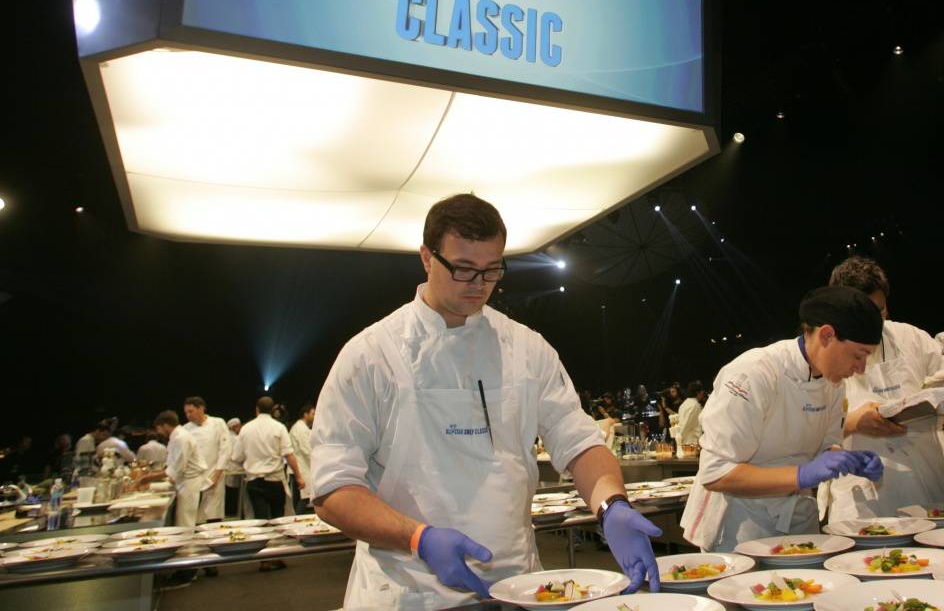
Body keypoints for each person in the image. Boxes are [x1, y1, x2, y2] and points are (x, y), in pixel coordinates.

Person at [311, 193, 662, 609]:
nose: (479, 284)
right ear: (427, 257)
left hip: (515, 583)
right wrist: (417, 537)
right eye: (462, 269)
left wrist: (610, 505)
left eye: (492, 270)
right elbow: (333, 489)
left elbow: (579, 441)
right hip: (408, 589)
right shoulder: (370, 355)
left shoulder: (526, 349)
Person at [680, 286, 884, 551]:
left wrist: (844, 459)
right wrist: (803, 474)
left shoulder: (834, 385)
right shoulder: (754, 373)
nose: (860, 369)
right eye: (859, 355)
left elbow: (826, 444)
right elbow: (717, 473)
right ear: (826, 335)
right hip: (740, 524)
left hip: (798, 517)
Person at [826, 257, 944, 522]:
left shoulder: (911, 337)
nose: (872, 324)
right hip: (862, 494)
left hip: (926, 477)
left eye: (879, 312)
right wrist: (852, 423)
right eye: (862, 315)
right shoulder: (824, 352)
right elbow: (806, 427)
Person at [232, 397, 303, 571]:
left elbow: (237, 457)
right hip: (275, 480)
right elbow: (289, 454)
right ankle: (277, 555)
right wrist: (299, 476)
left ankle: (264, 558)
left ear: (256, 409)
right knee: (278, 520)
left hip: (255, 480)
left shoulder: (246, 429)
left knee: (261, 520)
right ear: (272, 410)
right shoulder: (278, 427)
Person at [135, 410, 208, 527]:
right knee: (181, 519)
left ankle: (187, 545)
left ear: (165, 425)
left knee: (186, 521)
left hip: (189, 482)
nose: (159, 432)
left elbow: (177, 468)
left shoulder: (181, 437)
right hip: (183, 481)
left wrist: (148, 478)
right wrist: (152, 475)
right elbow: (171, 465)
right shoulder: (176, 437)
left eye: (158, 428)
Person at [183, 396, 231, 527]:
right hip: (193, 479)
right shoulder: (185, 429)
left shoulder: (218, 423)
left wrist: (216, 476)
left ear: (201, 408)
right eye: (186, 412)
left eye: (190, 411)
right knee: (195, 520)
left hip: (215, 476)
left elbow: (225, 451)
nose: (188, 415)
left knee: (213, 518)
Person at [290, 403, 316, 514]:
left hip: (303, 468)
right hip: (301, 469)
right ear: (305, 415)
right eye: (313, 414)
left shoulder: (302, 428)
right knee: (303, 499)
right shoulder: (300, 429)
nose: (315, 416)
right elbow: (307, 450)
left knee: (303, 499)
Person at [675, 380, 705, 450]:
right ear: (698, 393)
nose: (703, 394)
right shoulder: (694, 405)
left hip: (685, 442)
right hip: (691, 443)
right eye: (702, 392)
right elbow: (686, 424)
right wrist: (679, 441)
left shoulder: (684, 404)